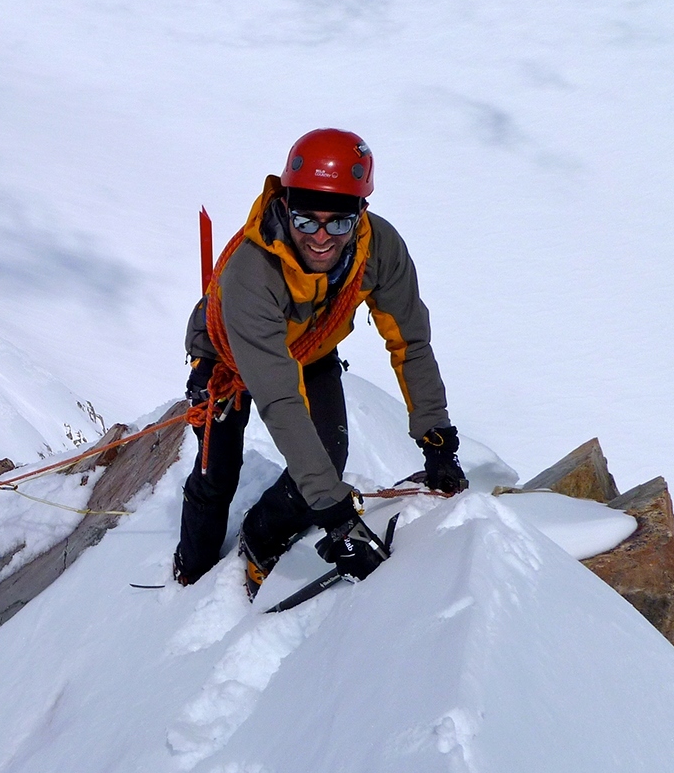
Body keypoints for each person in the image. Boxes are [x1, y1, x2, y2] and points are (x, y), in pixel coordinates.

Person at [175, 128, 468, 598]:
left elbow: (410, 342)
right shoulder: (254, 273)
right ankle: (190, 575)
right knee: (217, 477)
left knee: (326, 457)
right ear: (285, 205)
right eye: (305, 220)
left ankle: (261, 537)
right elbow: (280, 399)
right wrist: (336, 515)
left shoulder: (378, 250)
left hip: (311, 348)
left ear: (361, 214)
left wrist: (435, 436)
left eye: (338, 223)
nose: (321, 237)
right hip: (225, 359)